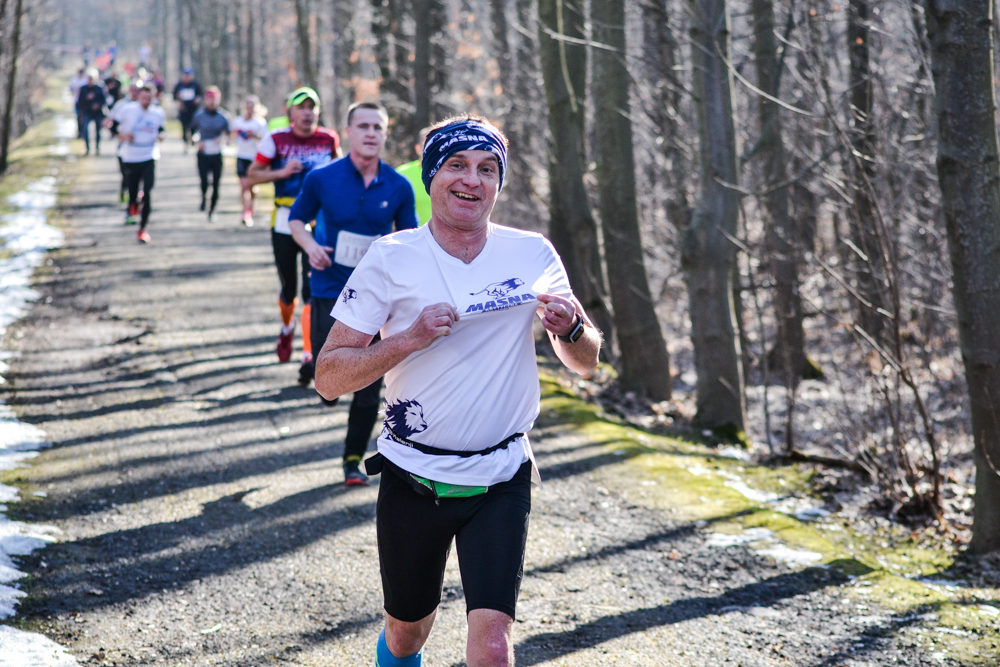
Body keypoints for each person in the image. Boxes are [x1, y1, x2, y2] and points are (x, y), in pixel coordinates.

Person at [314, 115, 600, 666]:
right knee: (406, 634)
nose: (472, 180)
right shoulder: (390, 258)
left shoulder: (532, 253)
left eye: (487, 169)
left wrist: (569, 329)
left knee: (493, 648)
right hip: (412, 476)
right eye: (457, 165)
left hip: (500, 476)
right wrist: (407, 340)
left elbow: (586, 362)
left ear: (499, 182)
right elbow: (330, 377)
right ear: (430, 175)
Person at [288, 101, 418, 485]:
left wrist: (393, 257)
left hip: (377, 299)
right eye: (363, 126)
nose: (370, 133)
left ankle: (352, 460)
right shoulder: (322, 178)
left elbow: (408, 241)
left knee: (368, 381)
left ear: (385, 133)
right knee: (327, 384)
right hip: (329, 286)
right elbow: (296, 220)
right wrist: (310, 246)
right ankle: (324, 386)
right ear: (348, 132)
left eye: (378, 127)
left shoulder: (398, 186)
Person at [248, 87, 341, 375]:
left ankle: (309, 352)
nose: (308, 112)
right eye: (301, 107)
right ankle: (287, 326)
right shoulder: (275, 139)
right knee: (289, 289)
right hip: (285, 220)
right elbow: (251, 176)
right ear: (290, 112)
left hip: (319, 223)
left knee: (312, 289)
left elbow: (343, 172)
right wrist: (281, 173)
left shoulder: (328, 139)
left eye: (312, 107)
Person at [117, 84, 166, 243]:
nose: (146, 101)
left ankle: (142, 229)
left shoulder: (158, 112)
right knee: (132, 194)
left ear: (154, 98)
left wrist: (161, 136)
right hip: (131, 156)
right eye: (143, 98)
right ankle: (133, 204)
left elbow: (161, 130)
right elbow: (112, 126)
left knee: (148, 192)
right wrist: (124, 136)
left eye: (149, 99)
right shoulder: (127, 110)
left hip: (149, 155)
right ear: (138, 97)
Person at [190, 86, 231, 222]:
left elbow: (229, 135)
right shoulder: (199, 115)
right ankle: (203, 197)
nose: (212, 102)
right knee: (204, 182)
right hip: (203, 153)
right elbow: (192, 132)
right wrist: (197, 140)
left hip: (217, 153)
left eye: (214, 99)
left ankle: (212, 210)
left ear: (218, 100)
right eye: (209, 99)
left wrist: (222, 139)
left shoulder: (224, 116)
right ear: (205, 100)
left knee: (216, 184)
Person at [230, 95, 268, 226]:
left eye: (252, 107)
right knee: (244, 185)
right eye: (248, 107)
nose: (250, 109)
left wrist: (255, 135)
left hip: (255, 158)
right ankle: (245, 211)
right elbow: (232, 137)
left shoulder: (260, 123)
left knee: (252, 187)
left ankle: (251, 206)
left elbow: (265, 141)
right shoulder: (237, 121)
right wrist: (233, 136)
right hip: (241, 156)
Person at [106, 81, 141, 203]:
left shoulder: (146, 106)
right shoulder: (121, 105)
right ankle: (125, 191)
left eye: (138, 90)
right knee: (126, 174)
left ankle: (136, 200)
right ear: (129, 91)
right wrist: (121, 135)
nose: (135, 93)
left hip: (141, 149)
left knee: (140, 176)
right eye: (133, 90)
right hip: (124, 147)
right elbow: (110, 123)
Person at [394, 130, 432, 226]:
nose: (430, 148)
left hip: (443, 239)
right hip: (409, 237)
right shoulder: (402, 174)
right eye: (426, 143)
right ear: (417, 148)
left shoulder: (449, 175)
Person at [76, 69, 106, 156]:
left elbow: (104, 100)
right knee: (85, 130)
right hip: (87, 112)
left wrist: (98, 105)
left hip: (97, 113)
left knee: (98, 131)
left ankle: (97, 147)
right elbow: (79, 102)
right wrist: (87, 98)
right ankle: (87, 148)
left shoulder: (99, 88)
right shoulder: (83, 89)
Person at [173, 68, 202, 153]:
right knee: (184, 128)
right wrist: (178, 98)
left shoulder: (195, 84)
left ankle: (194, 143)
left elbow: (200, 94)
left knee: (193, 127)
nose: (187, 77)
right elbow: (174, 96)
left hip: (193, 110)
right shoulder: (179, 85)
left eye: (188, 75)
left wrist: (197, 99)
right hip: (183, 110)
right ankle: (186, 144)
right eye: (185, 75)